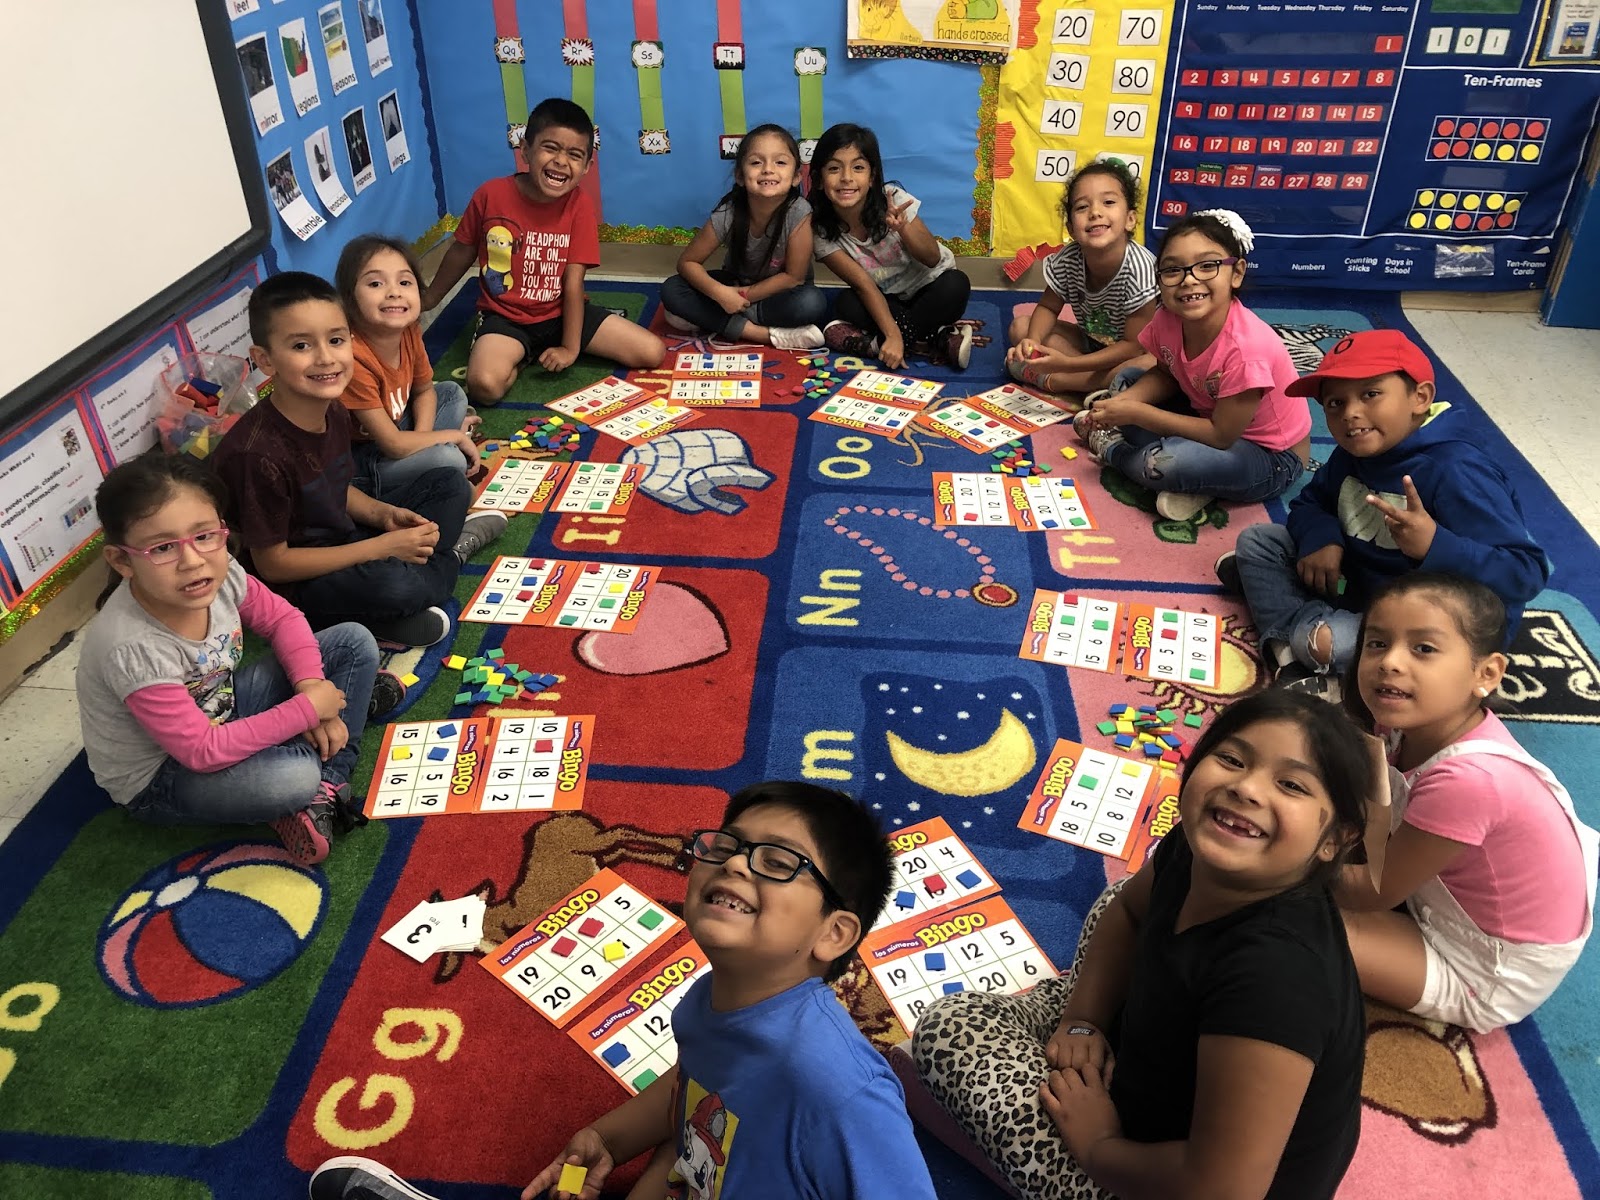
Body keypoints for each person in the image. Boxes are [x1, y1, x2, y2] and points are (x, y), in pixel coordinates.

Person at [308, 782, 939, 1200]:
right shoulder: (712, 999)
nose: (733, 863)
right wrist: (608, 1139)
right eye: (726, 846)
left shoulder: (838, 1088)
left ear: (834, 933)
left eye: (778, 863)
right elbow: (696, 1088)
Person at [911, 689, 1369, 1200]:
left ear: (1336, 839)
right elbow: (1129, 912)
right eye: (1232, 759)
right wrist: (1082, 1020)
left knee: (947, 1033)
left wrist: (1098, 1145)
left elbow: (1223, 1188)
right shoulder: (1199, 847)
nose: (1246, 788)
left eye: (1291, 785)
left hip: (1179, 1181)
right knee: (1120, 899)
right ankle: (1078, 1029)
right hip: (1161, 1059)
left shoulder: (1275, 982)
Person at [75, 455, 377, 867]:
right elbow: (201, 750)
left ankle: (326, 781)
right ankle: (326, 760)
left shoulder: (218, 569)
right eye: (163, 548)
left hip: (224, 708)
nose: (192, 560)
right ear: (122, 560)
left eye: (204, 536)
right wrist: (308, 710)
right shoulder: (133, 647)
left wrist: (309, 686)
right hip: (165, 774)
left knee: (352, 642)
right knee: (292, 779)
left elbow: (283, 619)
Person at [1218, 329, 1550, 700]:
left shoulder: (1457, 470)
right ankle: (1291, 659)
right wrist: (1321, 538)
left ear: (1420, 398)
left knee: (1322, 642)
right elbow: (1311, 502)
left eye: (1370, 394)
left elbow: (1526, 572)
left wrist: (1434, 545)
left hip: (1432, 626)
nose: (1350, 413)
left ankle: (1295, 633)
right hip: (1364, 589)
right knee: (1259, 541)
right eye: (1335, 403)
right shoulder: (1354, 450)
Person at [1336, 573, 1597, 1033]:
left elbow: (1372, 892)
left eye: (1423, 648)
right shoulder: (1408, 722)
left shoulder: (1469, 782)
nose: (1389, 662)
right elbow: (1375, 799)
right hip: (1440, 903)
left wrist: (1278, 861)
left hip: (1487, 971)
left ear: (1486, 674)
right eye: (1377, 643)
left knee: (1281, 917)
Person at [212, 271, 504, 650]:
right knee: (395, 586)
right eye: (301, 346)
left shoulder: (332, 407)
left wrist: (384, 515)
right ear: (265, 360)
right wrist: (381, 549)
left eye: (336, 340)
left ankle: (407, 591)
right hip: (296, 583)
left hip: (344, 537)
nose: (325, 358)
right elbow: (273, 566)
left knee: (449, 485)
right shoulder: (256, 455)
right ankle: (444, 561)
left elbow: (337, 488)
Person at [420, 97, 666, 406]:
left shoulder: (580, 205)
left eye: (575, 155)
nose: (561, 161)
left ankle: (536, 348)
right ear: (525, 150)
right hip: (505, 318)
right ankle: (521, 354)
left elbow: (573, 282)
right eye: (550, 148)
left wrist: (570, 348)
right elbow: (462, 250)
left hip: (560, 313)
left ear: (587, 167)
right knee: (485, 386)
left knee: (652, 352)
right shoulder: (490, 194)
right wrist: (430, 298)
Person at [1071, 209, 1309, 523]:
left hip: (1271, 457)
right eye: (1173, 270)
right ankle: (1200, 482)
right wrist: (1125, 403)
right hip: (1205, 415)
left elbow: (1221, 436)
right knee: (1126, 381)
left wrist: (1136, 414)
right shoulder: (1167, 318)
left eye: (1207, 266)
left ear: (1236, 273)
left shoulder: (1247, 350)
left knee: (1163, 463)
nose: (1189, 279)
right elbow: (1165, 374)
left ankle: (1115, 451)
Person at [809, 123, 974, 370]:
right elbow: (863, 285)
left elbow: (932, 258)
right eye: (834, 168)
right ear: (819, 180)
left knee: (956, 285)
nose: (846, 178)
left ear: (872, 177)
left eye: (858, 167)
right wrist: (893, 334)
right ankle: (936, 336)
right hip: (887, 299)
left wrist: (903, 229)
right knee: (846, 303)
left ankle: (875, 344)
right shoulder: (820, 231)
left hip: (929, 287)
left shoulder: (893, 199)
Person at [335, 234, 482, 500]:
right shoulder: (353, 359)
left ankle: (428, 458)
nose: (394, 292)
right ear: (349, 299)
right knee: (450, 458)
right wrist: (452, 437)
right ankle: (417, 478)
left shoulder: (408, 331)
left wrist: (423, 440)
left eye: (404, 282)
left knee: (451, 393)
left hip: (397, 434)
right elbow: (392, 445)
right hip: (365, 464)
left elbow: (425, 390)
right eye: (375, 283)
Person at [659, 124, 828, 350]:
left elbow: (793, 277)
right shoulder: (729, 212)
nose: (768, 169)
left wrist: (739, 298)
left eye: (780, 162)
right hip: (734, 285)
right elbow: (687, 262)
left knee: (812, 303)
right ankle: (761, 334)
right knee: (672, 289)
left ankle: (716, 320)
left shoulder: (800, 212)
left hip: (780, 293)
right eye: (756, 162)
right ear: (740, 175)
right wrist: (721, 293)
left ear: (797, 176)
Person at [1005, 160, 1158, 399]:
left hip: (1133, 353)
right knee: (1021, 327)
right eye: (1082, 207)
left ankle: (1057, 381)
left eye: (1108, 202)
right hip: (1090, 345)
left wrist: (1067, 365)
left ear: (1130, 219)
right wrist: (1033, 342)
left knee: (1150, 365)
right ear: (1071, 228)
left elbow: (1133, 345)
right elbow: (1048, 307)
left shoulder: (1140, 269)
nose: (1095, 212)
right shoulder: (1068, 259)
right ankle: (1096, 383)